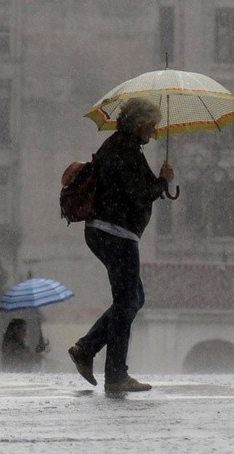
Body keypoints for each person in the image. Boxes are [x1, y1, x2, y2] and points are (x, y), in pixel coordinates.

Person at [67, 98, 173, 394]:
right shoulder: (124, 150)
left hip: (109, 233)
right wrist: (163, 182)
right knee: (128, 301)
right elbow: (139, 194)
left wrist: (160, 182)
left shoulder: (124, 147)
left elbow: (137, 188)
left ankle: (86, 349)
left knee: (133, 298)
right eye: (151, 125)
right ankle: (115, 374)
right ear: (139, 124)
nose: (154, 131)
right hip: (115, 233)